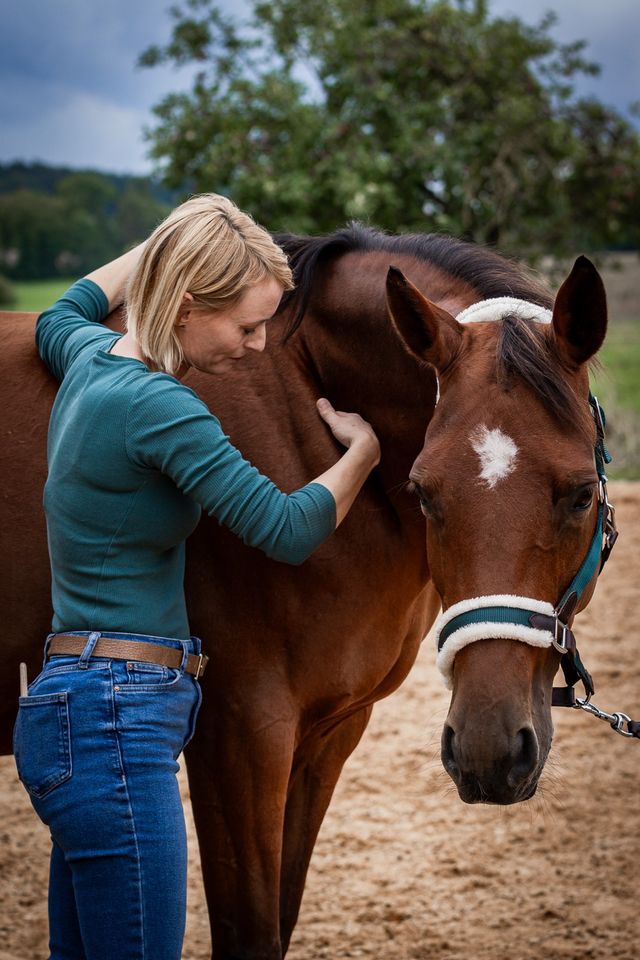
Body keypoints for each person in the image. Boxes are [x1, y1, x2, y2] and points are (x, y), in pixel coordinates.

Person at [12, 193, 380, 960]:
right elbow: (286, 528)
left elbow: (67, 307)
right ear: (185, 305)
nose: (255, 347)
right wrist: (361, 456)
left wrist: (169, 239)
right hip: (117, 719)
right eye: (246, 326)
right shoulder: (160, 407)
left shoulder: (85, 357)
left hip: (73, 710)